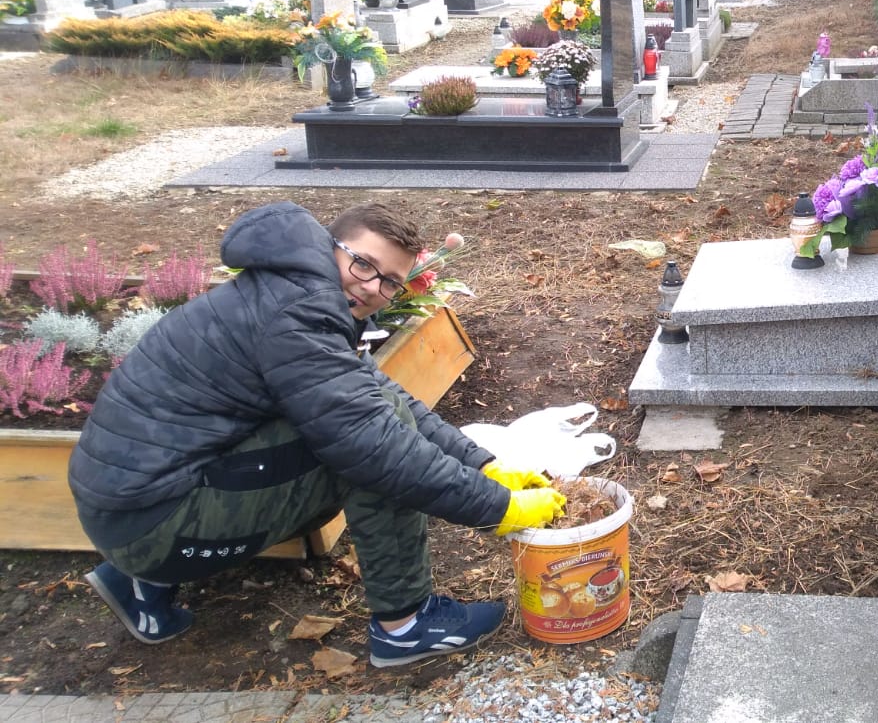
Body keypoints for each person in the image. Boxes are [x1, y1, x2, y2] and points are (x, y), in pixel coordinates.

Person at [69, 202, 566, 667]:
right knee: (372, 457)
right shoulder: (299, 316)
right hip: (156, 527)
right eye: (363, 264)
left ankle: (140, 583)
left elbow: (378, 392)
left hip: (126, 512)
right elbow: (377, 446)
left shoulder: (288, 291)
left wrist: (484, 465)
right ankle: (405, 625)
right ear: (331, 247)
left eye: (390, 282)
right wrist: (499, 509)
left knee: (371, 420)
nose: (372, 288)